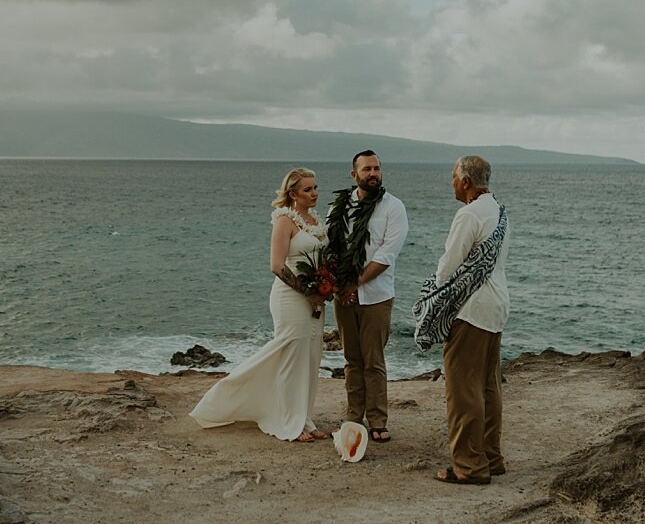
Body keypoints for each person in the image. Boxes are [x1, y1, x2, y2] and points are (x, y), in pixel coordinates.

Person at [189, 168, 331, 442]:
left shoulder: (315, 220)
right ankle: (289, 421)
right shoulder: (283, 221)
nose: (314, 193)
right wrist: (308, 292)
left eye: (315, 188)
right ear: (292, 194)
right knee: (291, 357)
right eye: (307, 189)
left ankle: (306, 419)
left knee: (312, 356)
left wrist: (323, 288)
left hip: (316, 299)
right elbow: (277, 266)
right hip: (290, 298)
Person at [419, 156, 511, 485]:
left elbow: (447, 268)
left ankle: (469, 466)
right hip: (497, 305)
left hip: (470, 310)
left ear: (466, 181)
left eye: (453, 177)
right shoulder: (499, 211)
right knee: (488, 385)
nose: (452, 183)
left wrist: (429, 297)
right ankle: (491, 456)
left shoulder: (468, 214)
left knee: (462, 389)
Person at [326, 150, 408, 444]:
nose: (373, 173)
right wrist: (337, 286)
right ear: (354, 175)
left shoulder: (393, 207)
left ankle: (377, 420)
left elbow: (387, 254)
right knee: (351, 359)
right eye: (366, 169)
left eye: (376, 168)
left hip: (377, 295)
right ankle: (353, 415)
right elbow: (330, 247)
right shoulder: (340, 207)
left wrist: (355, 284)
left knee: (373, 359)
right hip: (343, 295)